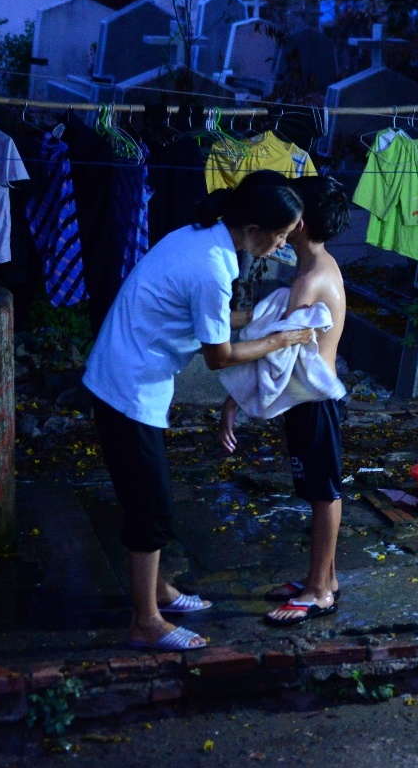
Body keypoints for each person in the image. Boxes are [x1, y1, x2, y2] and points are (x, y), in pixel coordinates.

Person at [82, 170, 315, 651]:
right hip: (127, 387)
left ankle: (159, 590)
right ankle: (145, 620)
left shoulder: (198, 238)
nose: (282, 245)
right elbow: (219, 355)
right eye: (280, 235)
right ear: (253, 229)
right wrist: (278, 338)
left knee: (147, 494)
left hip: (123, 373)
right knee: (152, 506)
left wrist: (256, 317)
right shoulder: (212, 266)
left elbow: (208, 317)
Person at [217, 175, 351, 625]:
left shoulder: (311, 280)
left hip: (315, 401)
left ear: (299, 223)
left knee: (323, 493)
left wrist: (234, 398)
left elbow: (275, 348)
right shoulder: (315, 267)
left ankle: (318, 591)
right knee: (318, 489)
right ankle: (324, 579)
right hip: (312, 399)